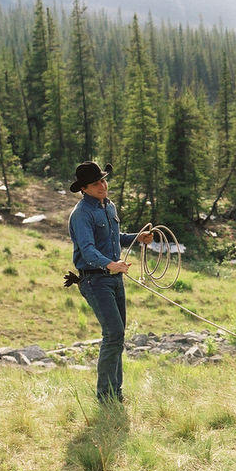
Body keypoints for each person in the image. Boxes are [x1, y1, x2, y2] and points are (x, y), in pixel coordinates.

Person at [67, 161, 152, 403]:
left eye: (103, 180)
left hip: (114, 280)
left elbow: (116, 239)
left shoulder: (109, 207)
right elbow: (88, 250)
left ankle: (116, 393)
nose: (103, 185)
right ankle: (106, 396)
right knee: (113, 334)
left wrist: (138, 237)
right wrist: (110, 264)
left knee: (117, 335)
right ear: (84, 188)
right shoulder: (81, 214)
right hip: (95, 281)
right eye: (96, 183)